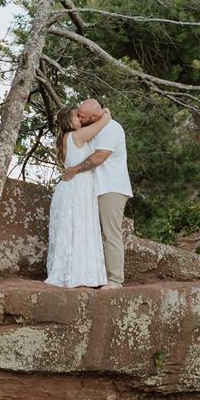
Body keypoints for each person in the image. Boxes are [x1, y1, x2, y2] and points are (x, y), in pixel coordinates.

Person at [44, 103, 113, 288]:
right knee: (81, 228)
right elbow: (103, 123)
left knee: (74, 229)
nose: (79, 119)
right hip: (79, 187)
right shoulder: (77, 135)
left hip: (71, 187)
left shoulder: (66, 138)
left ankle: (75, 272)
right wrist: (104, 112)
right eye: (76, 116)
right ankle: (80, 274)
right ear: (69, 121)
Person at [69, 97, 131, 285]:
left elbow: (99, 157)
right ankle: (93, 276)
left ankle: (115, 280)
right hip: (93, 188)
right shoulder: (95, 128)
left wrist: (74, 170)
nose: (79, 117)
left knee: (111, 234)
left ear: (95, 117)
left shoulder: (112, 128)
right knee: (90, 232)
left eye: (82, 116)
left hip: (111, 187)